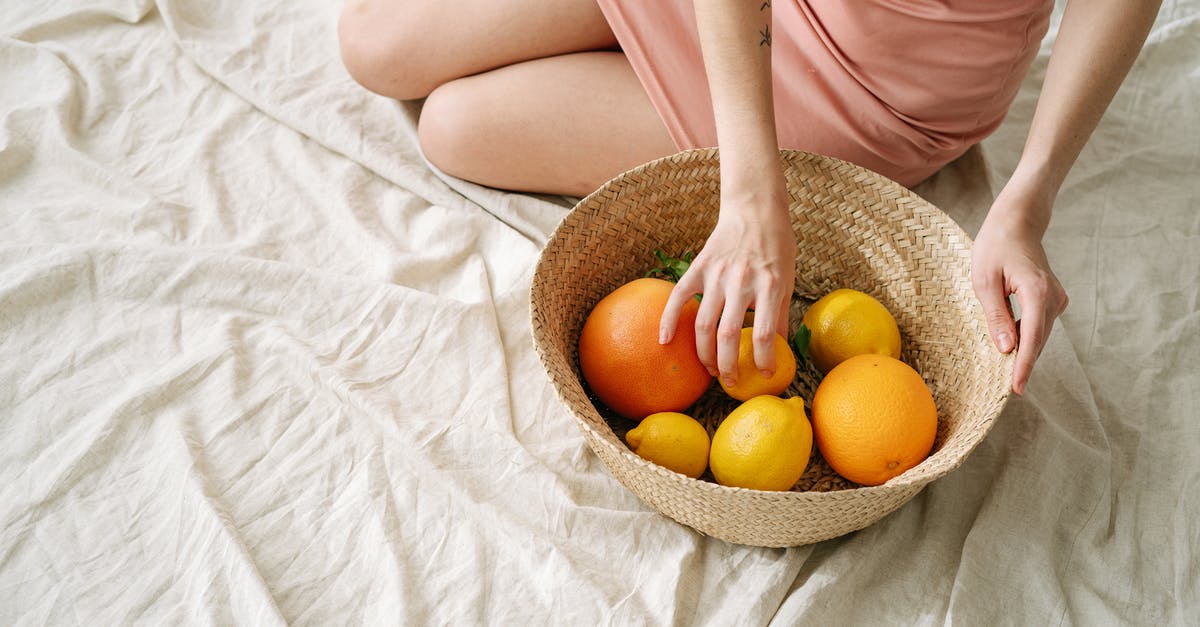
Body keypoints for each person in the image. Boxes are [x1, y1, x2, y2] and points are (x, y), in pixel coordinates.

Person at [337, 0, 1160, 395]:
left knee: (456, 125)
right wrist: (750, 190)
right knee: (373, 42)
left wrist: (1028, 198)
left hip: (874, 84)